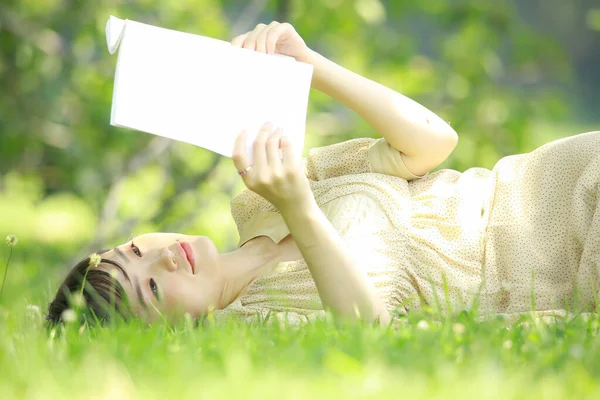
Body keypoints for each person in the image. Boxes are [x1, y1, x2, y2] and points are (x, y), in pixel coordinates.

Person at [47, 22, 600, 326]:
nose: (164, 256)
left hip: (549, 183)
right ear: (162, 335)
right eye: (149, 286)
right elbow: (373, 333)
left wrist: (310, 65)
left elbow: (434, 141)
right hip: (558, 265)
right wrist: (299, 209)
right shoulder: (256, 322)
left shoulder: (257, 202)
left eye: (134, 250)